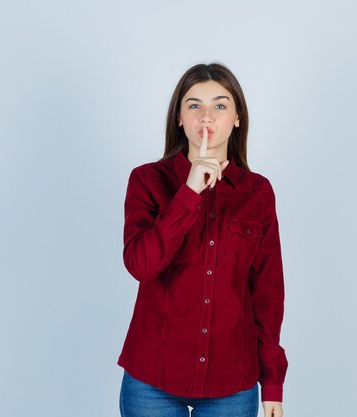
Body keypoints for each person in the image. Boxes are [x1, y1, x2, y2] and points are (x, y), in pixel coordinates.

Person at [118, 63, 288, 417]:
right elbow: (141, 265)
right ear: (179, 117)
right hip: (153, 380)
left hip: (231, 384)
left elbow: (268, 294)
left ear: (237, 117)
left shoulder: (258, 192)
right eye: (194, 105)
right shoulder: (147, 181)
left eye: (220, 105)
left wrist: (272, 384)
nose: (206, 116)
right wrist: (190, 191)